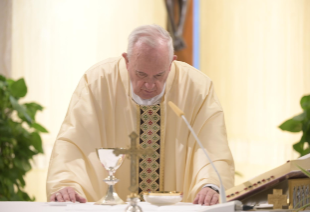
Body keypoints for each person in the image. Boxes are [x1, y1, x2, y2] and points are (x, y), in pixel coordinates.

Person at [46, 24, 234, 206]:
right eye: (141, 74)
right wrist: (67, 183)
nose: (150, 85)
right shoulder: (98, 82)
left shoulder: (197, 88)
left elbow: (212, 147)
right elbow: (73, 142)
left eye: (159, 75)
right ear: (127, 61)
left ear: (171, 63)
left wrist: (210, 185)